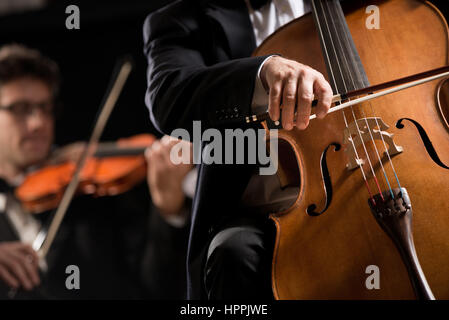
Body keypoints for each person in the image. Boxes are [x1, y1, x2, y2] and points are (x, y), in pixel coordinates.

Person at [143, 0, 333, 299]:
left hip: (376, 170)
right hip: (267, 208)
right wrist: (260, 72)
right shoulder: (180, 20)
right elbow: (170, 94)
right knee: (234, 253)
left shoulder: (360, 6)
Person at [0, 43, 193, 299]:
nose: (39, 122)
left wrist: (169, 212)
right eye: (21, 109)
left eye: (46, 108)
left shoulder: (95, 195)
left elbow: (158, 288)